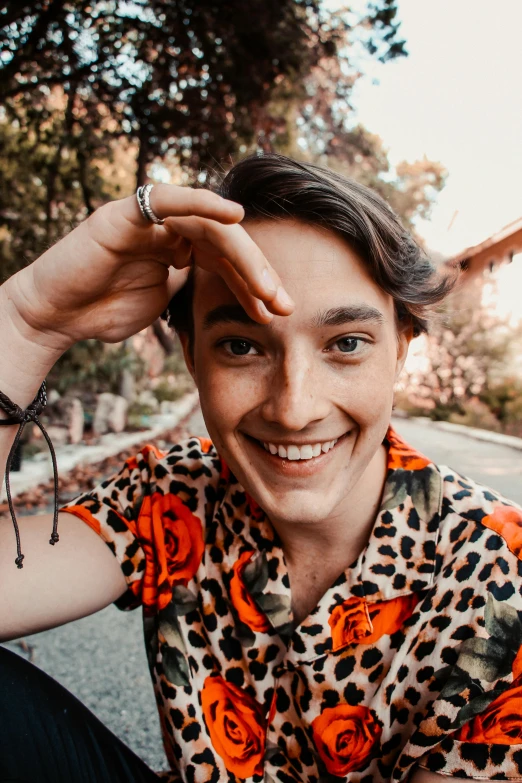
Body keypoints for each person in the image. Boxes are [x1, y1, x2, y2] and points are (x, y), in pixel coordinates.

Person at [1, 154, 521, 783]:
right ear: (192, 357)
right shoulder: (170, 498)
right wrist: (29, 321)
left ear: (400, 350)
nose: (294, 409)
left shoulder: (500, 577)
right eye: (242, 346)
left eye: (346, 344)